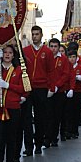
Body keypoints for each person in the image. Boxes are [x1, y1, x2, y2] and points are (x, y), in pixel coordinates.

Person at [21, 25, 54, 154]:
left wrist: (51, 87)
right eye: (33, 34)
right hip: (28, 88)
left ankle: (39, 144)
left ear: (41, 35)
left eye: (37, 34)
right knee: (27, 118)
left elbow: (51, 71)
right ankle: (28, 146)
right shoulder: (26, 51)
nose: (34, 36)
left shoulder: (47, 52)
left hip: (42, 88)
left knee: (41, 117)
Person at [47, 37, 73, 144]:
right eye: (51, 46)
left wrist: (57, 86)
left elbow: (66, 75)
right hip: (47, 90)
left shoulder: (63, 59)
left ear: (59, 47)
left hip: (59, 91)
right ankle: (46, 137)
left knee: (57, 116)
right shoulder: (45, 58)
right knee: (47, 115)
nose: (53, 49)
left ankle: (54, 138)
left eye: (55, 46)